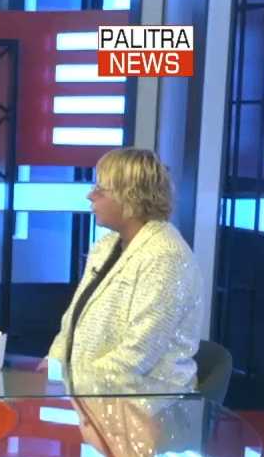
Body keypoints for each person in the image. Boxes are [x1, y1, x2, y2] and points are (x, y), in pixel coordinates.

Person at [44, 148, 201, 389]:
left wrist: (70, 384)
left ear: (131, 197)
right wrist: (51, 368)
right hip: (89, 393)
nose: (90, 195)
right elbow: (71, 324)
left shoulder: (166, 256)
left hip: (145, 402)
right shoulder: (105, 247)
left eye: (101, 189)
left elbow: (137, 354)